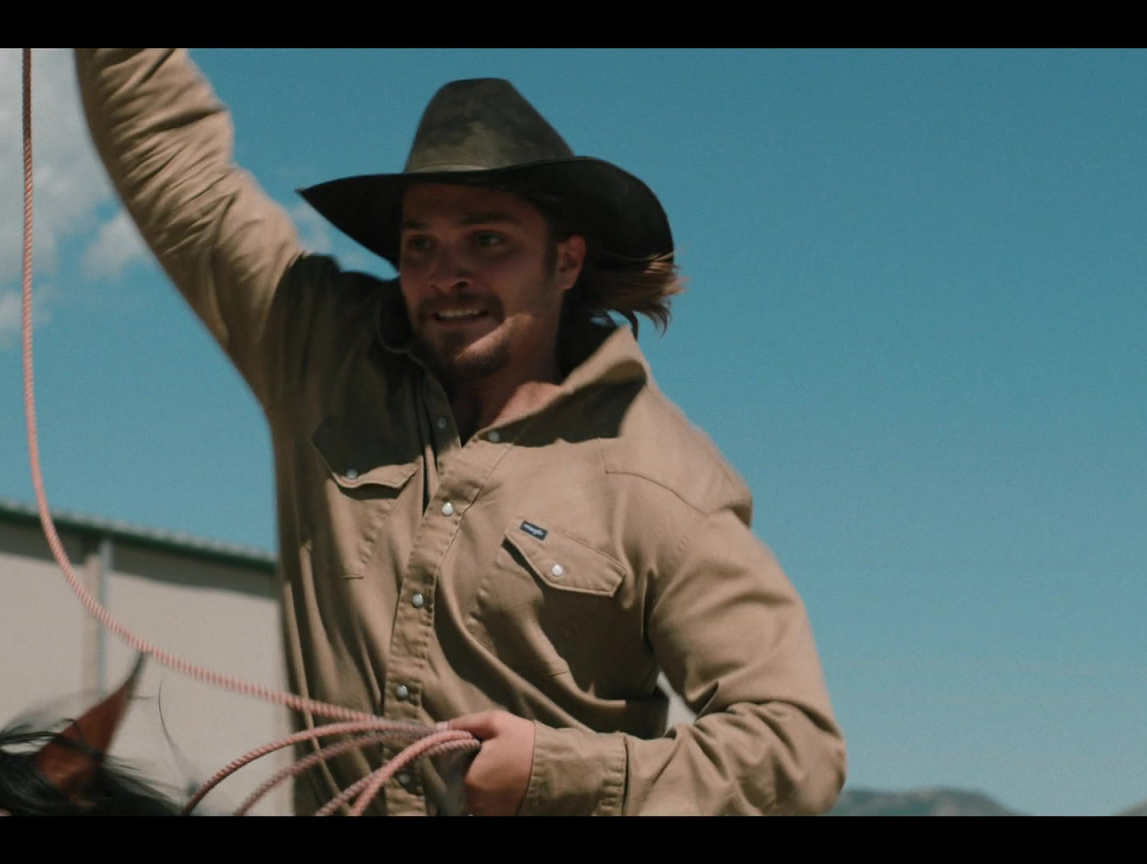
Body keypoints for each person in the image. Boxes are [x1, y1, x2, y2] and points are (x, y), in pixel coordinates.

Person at [76, 48, 845, 816]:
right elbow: (178, 167)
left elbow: (796, 752)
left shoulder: (663, 478)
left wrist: (553, 769)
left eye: (488, 240)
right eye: (421, 245)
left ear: (566, 260)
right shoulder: (319, 350)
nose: (447, 275)